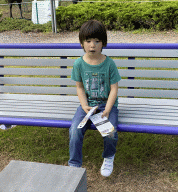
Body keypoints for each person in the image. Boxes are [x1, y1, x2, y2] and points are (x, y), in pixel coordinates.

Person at [68, 20, 121, 177]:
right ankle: (74, 164)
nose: (92, 45)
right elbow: (79, 87)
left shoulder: (109, 64)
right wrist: (84, 105)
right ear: (82, 43)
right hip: (87, 106)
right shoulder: (78, 64)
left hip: (106, 106)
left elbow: (114, 89)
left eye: (97, 41)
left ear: (103, 43)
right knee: (75, 130)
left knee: (110, 132)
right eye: (88, 41)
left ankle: (109, 157)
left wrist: (109, 109)